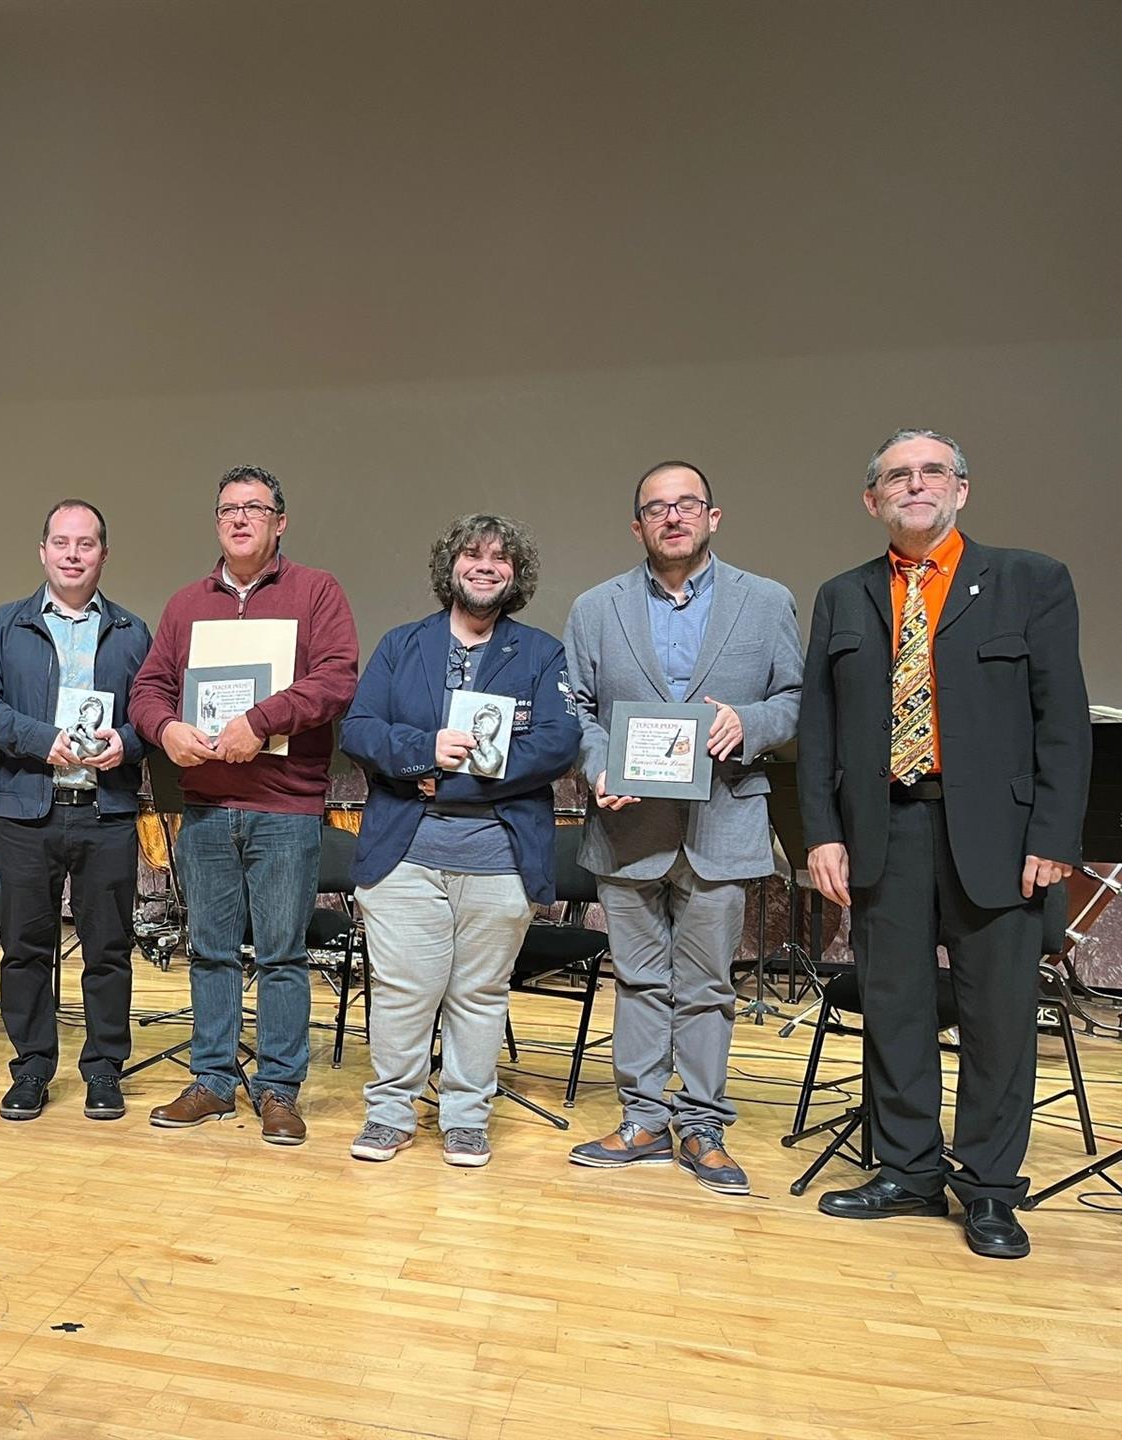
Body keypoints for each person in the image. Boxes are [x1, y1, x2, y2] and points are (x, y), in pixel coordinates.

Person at [800, 429, 1089, 1259]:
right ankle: (908, 1172)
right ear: (872, 500)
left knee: (998, 1017)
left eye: (932, 472)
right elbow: (818, 728)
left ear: (962, 489)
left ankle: (992, 1190)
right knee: (895, 1008)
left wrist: (1054, 837)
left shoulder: (1030, 580)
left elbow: (1062, 722)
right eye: (898, 475)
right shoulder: (843, 595)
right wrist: (822, 831)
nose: (915, 485)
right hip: (882, 830)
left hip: (1000, 838)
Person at [562, 461, 801, 1193]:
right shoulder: (594, 608)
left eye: (686, 505)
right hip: (627, 827)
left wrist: (750, 721)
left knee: (705, 986)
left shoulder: (767, 602)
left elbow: (793, 699)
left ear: (713, 517)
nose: (673, 518)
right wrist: (598, 763)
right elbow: (577, 709)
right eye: (656, 508)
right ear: (638, 526)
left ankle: (701, 1128)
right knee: (637, 981)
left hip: (722, 822)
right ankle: (640, 1120)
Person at [128, 464, 359, 1146]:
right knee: (210, 950)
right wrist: (165, 728)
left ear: (279, 522)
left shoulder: (317, 593)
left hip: (284, 809)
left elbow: (336, 679)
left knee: (283, 953)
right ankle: (213, 1080)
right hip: (204, 807)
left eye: (254, 508)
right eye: (228, 508)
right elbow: (149, 687)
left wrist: (262, 719)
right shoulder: (184, 604)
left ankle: (279, 1090)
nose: (239, 518)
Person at [339, 515, 579, 1166]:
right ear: (450, 567)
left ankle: (466, 1119)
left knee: (479, 994)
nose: (484, 565)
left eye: (500, 558)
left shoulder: (539, 653)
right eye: (472, 554)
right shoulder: (400, 645)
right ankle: (390, 1114)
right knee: (402, 992)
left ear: (515, 574)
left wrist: (449, 785)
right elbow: (359, 730)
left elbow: (559, 743)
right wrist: (422, 750)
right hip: (404, 855)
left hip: (500, 858)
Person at [0, 499, 153, 1121]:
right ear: (42, 551)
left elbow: (155, 710)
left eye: (86, 544)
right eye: (62, 543)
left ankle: (103, 1069)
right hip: (28, 808)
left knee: (109, 947)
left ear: (104, 554)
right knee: (24, 948)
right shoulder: (5, 625)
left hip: (108, 810)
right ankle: (33, 1067)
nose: (73, 555)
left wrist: (130, 739)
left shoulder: (132, 631)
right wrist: (41, 739)